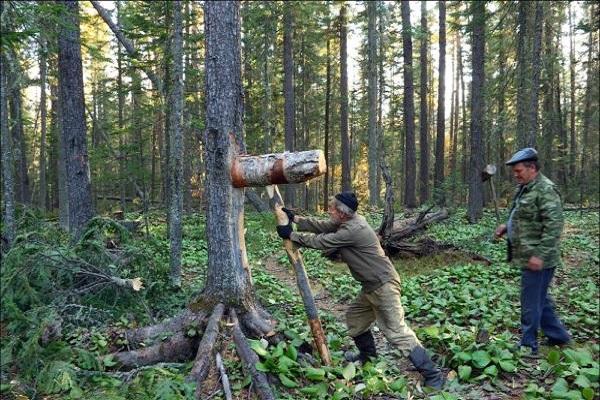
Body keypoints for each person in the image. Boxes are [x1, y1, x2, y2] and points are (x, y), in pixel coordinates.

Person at [276, 192, 444, 389]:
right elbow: (325, 226)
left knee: (397, 332)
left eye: (332, 209)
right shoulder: (349, 221)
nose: (329, 211)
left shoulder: (353, 229)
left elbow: (323, 242)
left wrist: (292, 235)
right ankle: (368, 358)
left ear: (342, 213)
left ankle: (433, 375)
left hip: (383, 286)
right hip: (371, 286)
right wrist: (296, 219)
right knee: (356, 318)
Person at [494, 148, 571, 355]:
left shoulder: (545, 189)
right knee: (540, 299)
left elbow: (554, 226)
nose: (515, 174)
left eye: (518, 170)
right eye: (515, 171)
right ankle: (558, 336)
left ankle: (528, 345)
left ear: (532, 168)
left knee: (531, 302)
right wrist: (506, 226)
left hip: (538, 259)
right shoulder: (527, 187)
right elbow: (524, 215)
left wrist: (539, 255)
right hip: (528, 255)